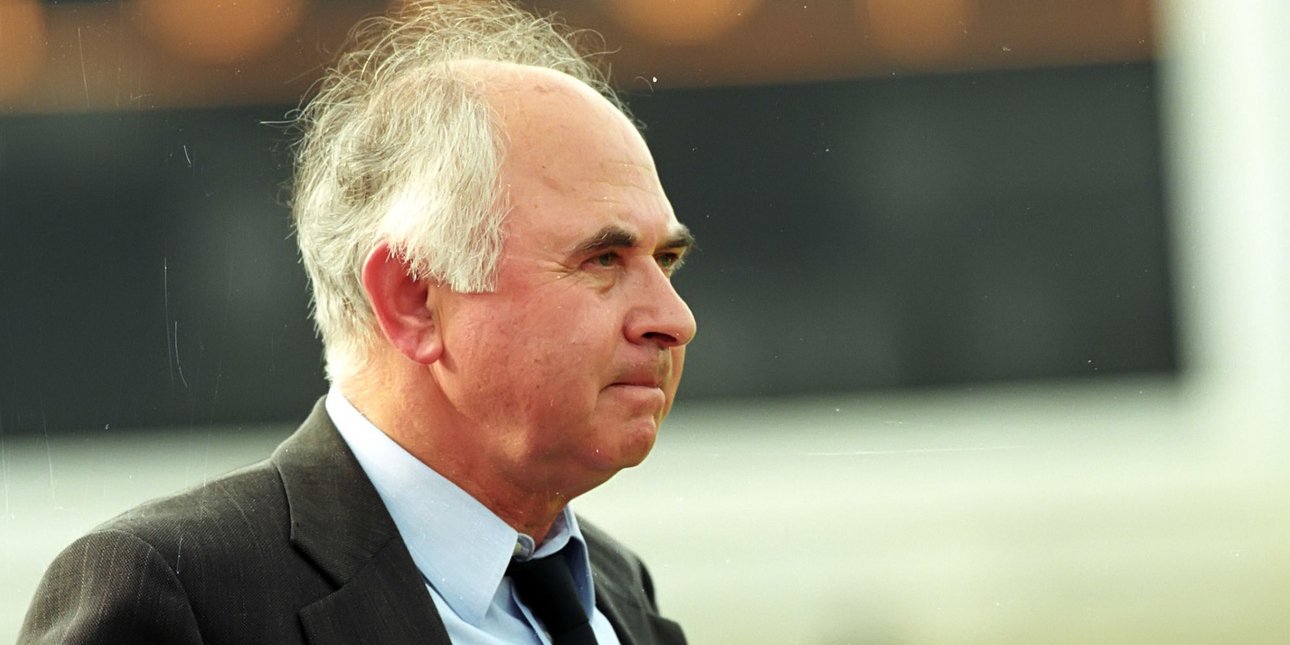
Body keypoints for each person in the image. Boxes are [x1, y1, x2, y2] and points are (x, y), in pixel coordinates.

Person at [19, 1, 694, 643]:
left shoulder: (617, 589)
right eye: (603, 259)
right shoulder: (178, 597)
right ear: (413, 300)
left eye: (666, 261)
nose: (674, 319)